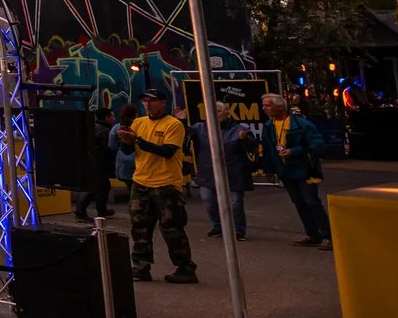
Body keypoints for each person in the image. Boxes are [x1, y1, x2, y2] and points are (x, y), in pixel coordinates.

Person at [121, 89, 197, 284]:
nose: (147, 104)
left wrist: (138, 140)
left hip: (166, 184)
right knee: (139, 226)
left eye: (152, 101)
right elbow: (128, 150)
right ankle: (141, 266)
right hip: (141, 181)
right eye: (145, 101)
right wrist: (128, 141)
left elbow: (167, 151)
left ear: (163, 103)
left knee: (171, 227)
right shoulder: (138, 123)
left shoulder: (173, 124)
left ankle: (185, 267)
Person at [261, 93, 330, 249]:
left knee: (312, 202)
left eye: (268, 105)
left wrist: (294, 151)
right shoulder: (269, 125)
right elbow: (268, 149)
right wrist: (269, 169)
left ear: (280, 107)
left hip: (305, 170)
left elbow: (318, 145)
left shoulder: (302, 124)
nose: (264, 108)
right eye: (264, 105)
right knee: (299, 203)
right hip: (285, 170)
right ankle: (313, 235)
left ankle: (327, 236)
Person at [202, 102, 250, 241]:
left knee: (235, 203)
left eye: (218, 111)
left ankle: (238, 230)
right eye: (211, 110)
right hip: (209, 173)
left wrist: (245, 139)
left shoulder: (238, 129)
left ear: (227, 113)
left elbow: (252, 146)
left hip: (233, 172)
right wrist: (181, 120)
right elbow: (186, 133)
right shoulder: (202, 128)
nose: (214, 114)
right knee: (208, 200)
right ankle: (218, 226)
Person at [79, 103, 132, 220]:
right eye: (112, 116)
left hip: (91, 162)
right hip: (99, 163)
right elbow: (109, 148)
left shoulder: (92, 127)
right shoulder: (105, 131)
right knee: (100, 186)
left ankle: (98, 210)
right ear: (106, 117)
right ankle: (86, 211)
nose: (114, 119)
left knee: (99, 186)